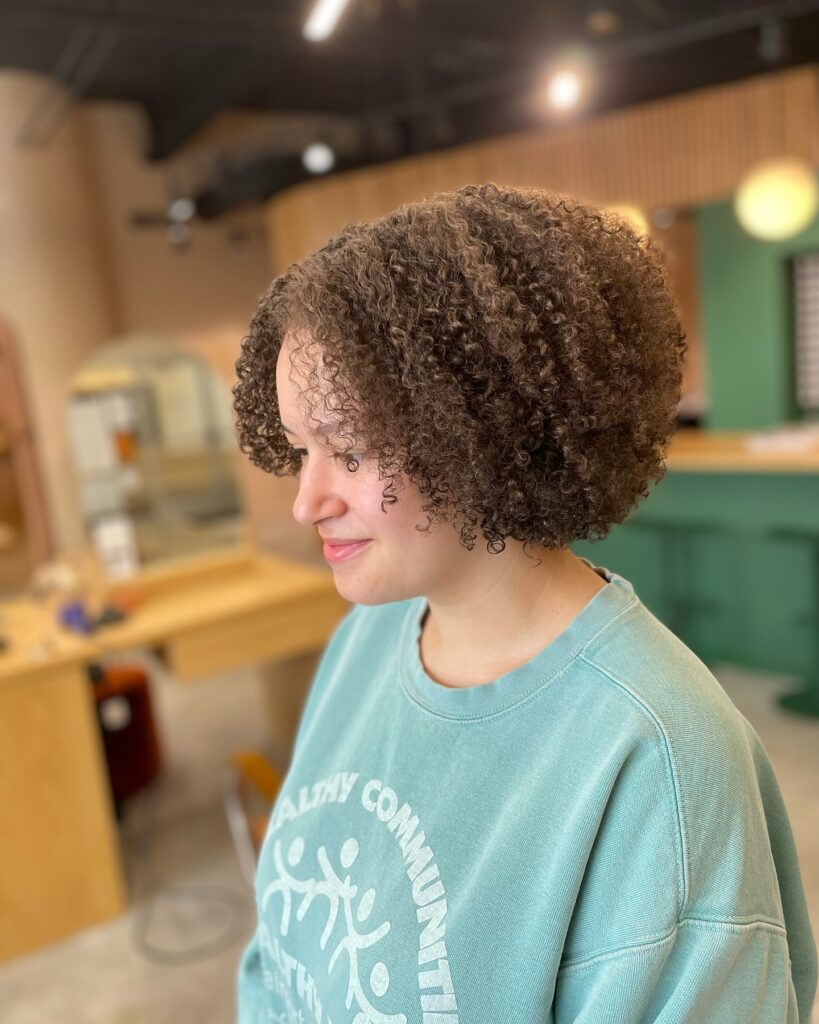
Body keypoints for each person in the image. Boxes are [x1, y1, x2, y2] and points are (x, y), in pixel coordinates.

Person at [232, 182, 817, 1023]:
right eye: (299, 450)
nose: (306, 499)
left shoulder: (657, 761)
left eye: (350, 451)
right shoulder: (367, 637)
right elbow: (279, 965)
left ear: (476, 432)